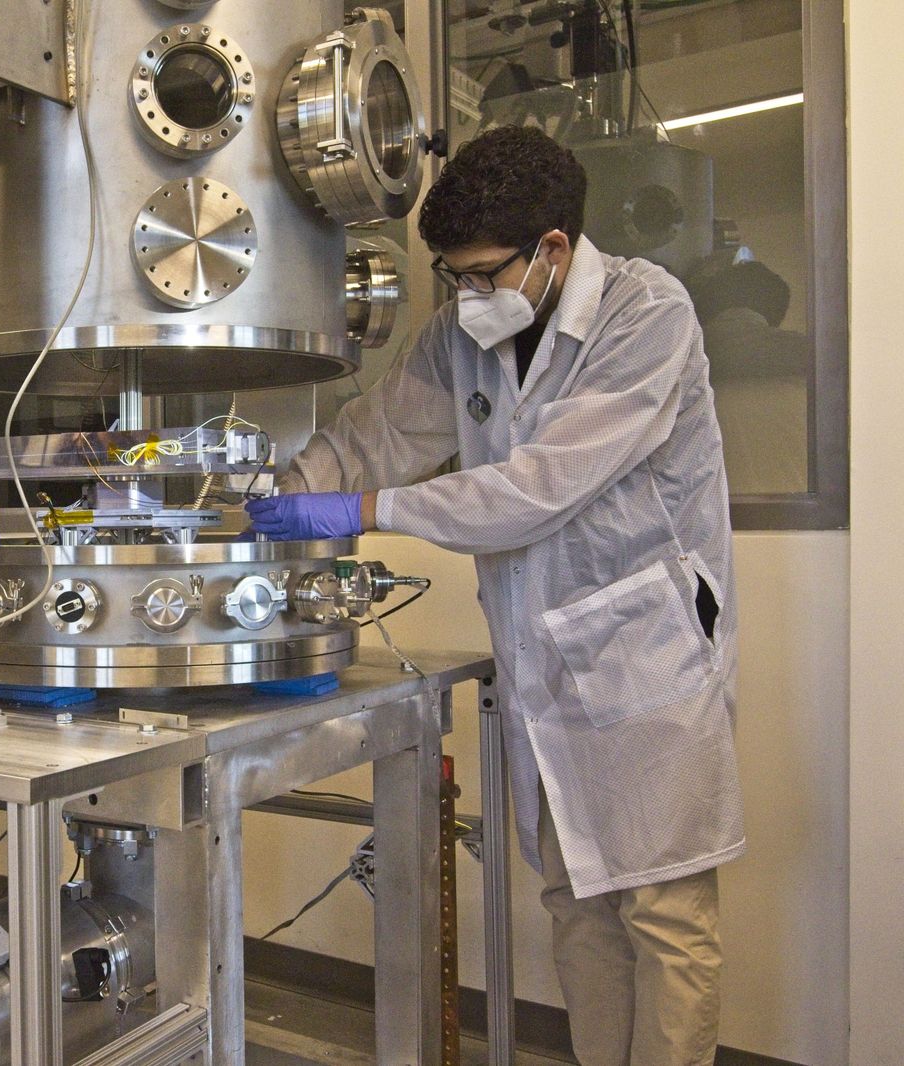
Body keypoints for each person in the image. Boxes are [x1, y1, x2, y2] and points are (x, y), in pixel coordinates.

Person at [248, 125, 743, 1066]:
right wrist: (274, 498)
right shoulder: (460, 336)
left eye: (482, 275)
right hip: (542, 664)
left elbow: (541, 488)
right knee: (576, 901)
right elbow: (377, 436)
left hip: (645, 656)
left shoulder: (647, 314)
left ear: (552, 248)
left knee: (664, 913)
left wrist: (364, 510)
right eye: (454, 276)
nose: (467, 296)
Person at [687, 258, 811, 495]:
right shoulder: (818, 364)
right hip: (799, 508)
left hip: (705, 510)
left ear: (709, 305)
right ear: (776, 314)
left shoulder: (679, 357)